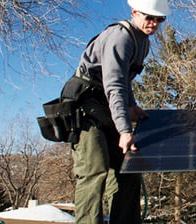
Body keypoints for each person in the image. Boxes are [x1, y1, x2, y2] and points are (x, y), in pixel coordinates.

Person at [60, 0, 170, 223]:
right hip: (87, 107)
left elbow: (125, 80)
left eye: (160, 19)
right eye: (149, 17)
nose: (154, 23)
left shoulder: (143, 42)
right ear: (134, 12)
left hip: (108, 106)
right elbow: (114, 84)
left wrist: (131, 105)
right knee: (95, 169)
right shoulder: (120, 37)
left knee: (127, 169)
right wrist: (124, 129)